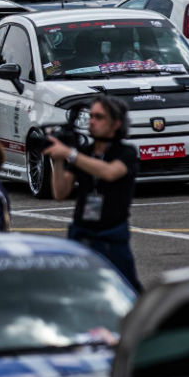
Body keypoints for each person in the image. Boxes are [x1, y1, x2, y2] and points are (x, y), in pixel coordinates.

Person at [44, 95, 143, 290]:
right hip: (82, 233)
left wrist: (70, 154)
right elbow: (60, 193)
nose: (92, 122)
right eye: (91, 116)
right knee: (78, 291)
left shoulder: (126, 153)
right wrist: (57, 158)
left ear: (116, 123)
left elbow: (109, 172)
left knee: (127, 289)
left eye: (99, 117)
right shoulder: (84, 152)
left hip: (111, 237)